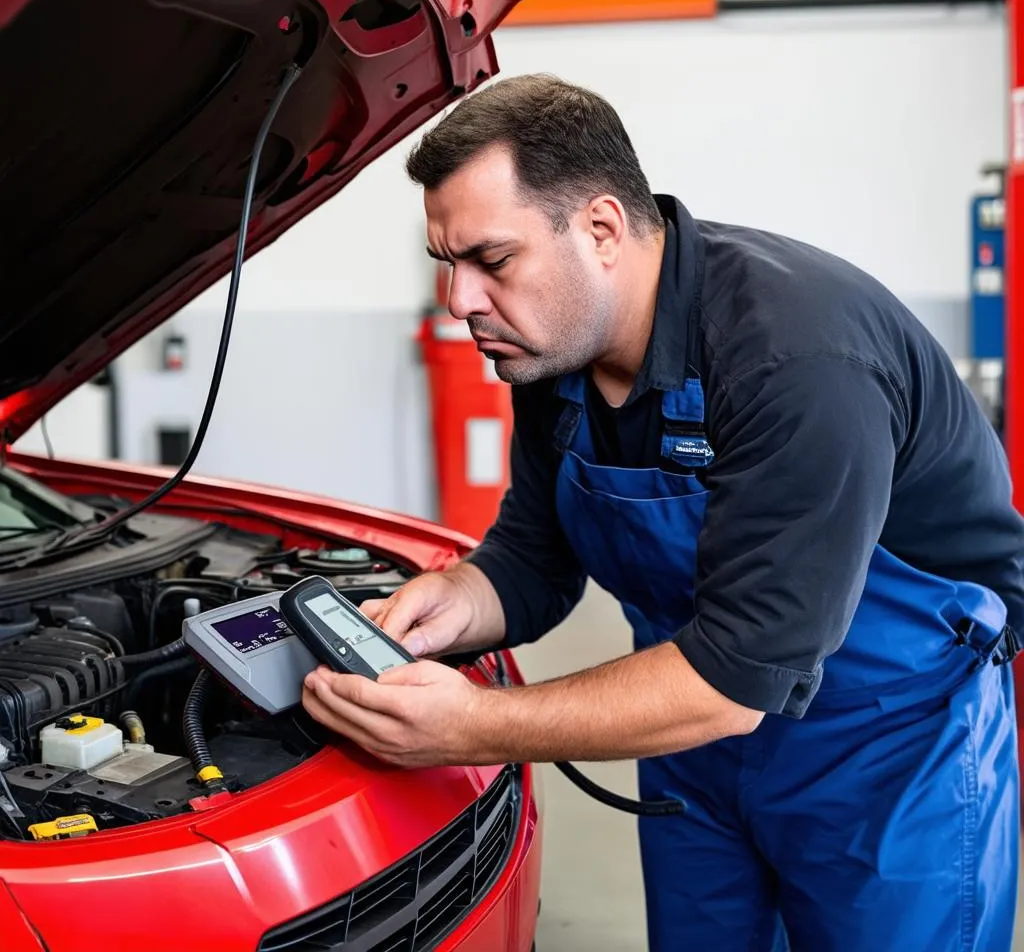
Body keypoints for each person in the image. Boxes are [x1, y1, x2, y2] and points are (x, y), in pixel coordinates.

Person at [301, 73, 1024, 951]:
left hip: (884, 755)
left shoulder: (795, 360)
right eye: (447, 265)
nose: (461, 303)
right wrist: (457, 597)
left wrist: (472, 726)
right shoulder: (553, 352)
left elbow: (736, 677)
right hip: (688, 739)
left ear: (601, 229)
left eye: (491, 261)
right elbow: (534, 558)